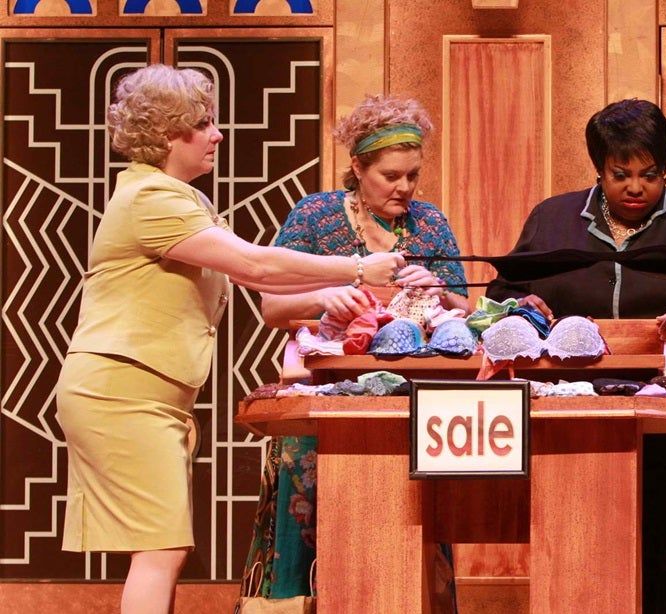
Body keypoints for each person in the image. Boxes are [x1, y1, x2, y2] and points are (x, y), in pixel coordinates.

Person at [54, 64, 405, 614]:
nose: (217, 135)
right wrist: (357, 269)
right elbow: (255, 265)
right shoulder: (151, 199)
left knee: (161, 547)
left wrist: (341, 289)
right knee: (160, 548)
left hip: (147, 395)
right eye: (203, 124)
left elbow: (256, 277)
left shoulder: (181, 199)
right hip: (120, 393)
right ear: (167, 134)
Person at [486, 98, 666, 613]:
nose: (636, 188)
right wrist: (521, 308)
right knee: (577, 537)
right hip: (571, 406)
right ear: (600, 169)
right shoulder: (553, 218)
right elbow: (502, 294)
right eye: (621, 175)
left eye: (650, 175)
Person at [242, 94, 468, 606]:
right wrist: (327, 297)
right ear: (358, 167)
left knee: (409, 524)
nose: (405, 187)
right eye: (391, 176)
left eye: (413, 175)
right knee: (319, 525)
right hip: (325, 400)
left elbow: (464, 308)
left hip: (412, 402)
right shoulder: (316, 215)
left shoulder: (428, 222)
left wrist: (438, 290)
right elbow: (272, 307)